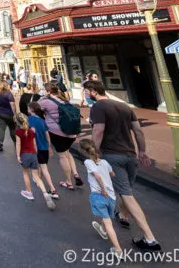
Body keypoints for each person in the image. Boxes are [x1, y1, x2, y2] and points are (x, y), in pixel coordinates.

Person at [86, 80, 161, 251]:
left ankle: (150, 238)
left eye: (86, 91)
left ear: (92, 91)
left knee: (124, 194)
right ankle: (123, 216)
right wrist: (142, 151)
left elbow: (98, 131)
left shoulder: (98, 107)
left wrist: (94, 154)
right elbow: (138, 131)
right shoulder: (125, 107)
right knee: (124, 190)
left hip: (112, 156)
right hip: (130, 155)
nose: (86, 95)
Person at [80, 139, 123, 256]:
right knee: (106, 218)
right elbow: (112, 174)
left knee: (108, 222)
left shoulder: (88, 162)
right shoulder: (104, 162)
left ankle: (118, 249)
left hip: (100, 195)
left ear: (84, 151)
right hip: (112, 197)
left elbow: (97, 176)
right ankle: (103, 231)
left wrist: (103, 190)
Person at [40, 82, 83, 191]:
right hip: (71, 132)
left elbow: (35, 107)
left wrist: (43, 98)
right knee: (67, 152)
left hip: (58, 133)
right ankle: (76, 174)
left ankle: (68, 182)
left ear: (48, 92)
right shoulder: (64, 99)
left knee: (62, 156)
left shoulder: (46, 101)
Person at [14, 113, 56, 210]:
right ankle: (45, 193)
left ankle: (29, 192)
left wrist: (18, 156)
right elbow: (34, 144)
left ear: (17, 122)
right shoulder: (32, 132)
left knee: (25, 173)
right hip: (33, 154)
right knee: (36, 177)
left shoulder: (18, 132)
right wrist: (36, 154)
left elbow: (18, 144)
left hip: (24, 154)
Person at [27, 101, 59, 199]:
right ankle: (39, 181)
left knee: (42, 169)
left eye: (28, 108)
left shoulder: (29, 120)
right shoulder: (42, 121)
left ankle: (52, 189)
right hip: (44, 147)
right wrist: (49, 147)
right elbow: (47, 136)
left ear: (31, 110)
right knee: (43, 166)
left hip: (36, 148)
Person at [0, 82, 16, 152]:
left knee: (1, 128)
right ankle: (16, 143)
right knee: (12, 128)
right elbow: (12, 105)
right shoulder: (8, 93)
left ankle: (0, 144)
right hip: (8, 114)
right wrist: (15, 114)